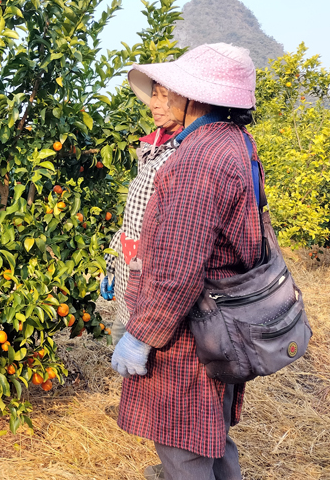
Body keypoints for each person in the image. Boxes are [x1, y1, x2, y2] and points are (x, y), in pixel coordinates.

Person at [110, 43, 261, 480]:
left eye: (169, 90)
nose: (157, 100)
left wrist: (142, 335)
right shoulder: (234, 142)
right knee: (210, 438)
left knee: (184, 446)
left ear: (196, 96)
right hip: (221, 320)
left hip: (190, 332)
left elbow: (177, 268)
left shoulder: (196, 160)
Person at [101, 81, 183, 345]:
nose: (155, 104)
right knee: (121, 340)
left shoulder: (182, 151)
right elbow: (133, 220)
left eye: (165, 97)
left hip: (153, 281)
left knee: (140, 357)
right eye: (154, 96)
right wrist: (111, 262)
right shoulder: (154, 146)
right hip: (130, 272)